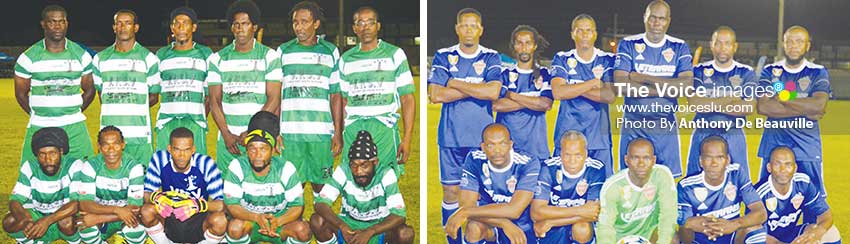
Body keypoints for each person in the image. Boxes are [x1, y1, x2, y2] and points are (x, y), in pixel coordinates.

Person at [428, 8, 502, 243]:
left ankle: (477, 237)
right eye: (464, 25)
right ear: (457, 29)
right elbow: (436, 94)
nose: (469, 30)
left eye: (473, 26)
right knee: (451, 191)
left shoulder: (491, 57)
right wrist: (476, 89)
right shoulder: (443, 56)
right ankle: (454, 240)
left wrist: (455, 82)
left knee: (482, 193)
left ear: (481, 29)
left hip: (482, 141)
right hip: (450, 137)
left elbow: (493, 91)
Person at [613, 0, 693, 177]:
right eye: (653, 18)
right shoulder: (628, 44)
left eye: (662, 19)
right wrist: (668, 86)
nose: (657, 23)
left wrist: (644, 78)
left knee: (665, 182)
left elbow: (686, 86)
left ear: (668, 21)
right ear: (645, 18)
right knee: (630, 181)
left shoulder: (679, 47)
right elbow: (621, 84)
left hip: (665, 124)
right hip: (634, 122)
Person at [335, 6, 416, 177]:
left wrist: (407, 138)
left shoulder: (395, 54)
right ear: (354, 28)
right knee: (354, 183)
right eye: (360, 23)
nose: (365, 27)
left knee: (385, 182)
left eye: (370, 22)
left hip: (384, 128)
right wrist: (341, 133)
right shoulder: (346, 60)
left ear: (378, 26)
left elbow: (407, 98)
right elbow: (343, 101)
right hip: (353, 129)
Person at [756, 26, 831, 205]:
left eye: (799, 41)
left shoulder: (817, 71)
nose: (793, 45)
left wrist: (783, 97)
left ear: (807, 45)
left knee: (813, 204)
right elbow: (764, 107)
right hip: (774, 145)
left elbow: (819, 105)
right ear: (783, 44)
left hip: (807, 148)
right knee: (766, 202)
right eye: (789, 41)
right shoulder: (770, 71)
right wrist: (807, 108)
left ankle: (810, 233)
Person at [14, 5, 96, 166]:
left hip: (74, 126)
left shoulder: (81, 55)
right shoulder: (28, 57)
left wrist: (72, 110)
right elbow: (21, 94)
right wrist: (39, 113)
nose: (57, 26)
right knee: (31, 171)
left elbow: (90, 89)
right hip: (40, 124)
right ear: (43, 24)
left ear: (67, 23)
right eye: (52, 22)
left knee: (84, 172)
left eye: (61, 21)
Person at [278, 1, 343, 193]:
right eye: (295, 22)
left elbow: (336, 95)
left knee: (322, 187)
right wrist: (276, 131)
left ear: (316, 24)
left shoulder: (330, 51)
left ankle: (321, 224)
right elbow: (276, 94)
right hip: (290, 133)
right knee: (293, 188)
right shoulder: (283, 51)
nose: (299, 27)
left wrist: (338, 132)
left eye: (304, 22)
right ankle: (295, 224)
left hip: (321, 133)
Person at [208, 0, 282, 166]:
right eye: (236, 24)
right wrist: (226, 134)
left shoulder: (270, 57)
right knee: (227, 190)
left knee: (257, 188)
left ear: (254, 27)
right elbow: (214, 101)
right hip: (229, 142)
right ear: (232, 27)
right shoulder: (217, 59)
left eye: (245, 24)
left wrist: (252, 131)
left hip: (259, 139)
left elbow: (274, 99)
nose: (240, 29)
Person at [311, 130, 414, 244]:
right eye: (354, 165)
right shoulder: (344, 170)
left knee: (405, 233)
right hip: (349, 225)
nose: (358, 171)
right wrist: (342, 226)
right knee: (317, 220)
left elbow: (399, 215)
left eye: (364, 165)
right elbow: (320, 203)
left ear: (375, 162)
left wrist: (369, 232)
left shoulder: (386, 173)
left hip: (377, 227)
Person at [222, 111, 311, 244]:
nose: (257, 155)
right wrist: (256, 218)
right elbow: (231, 205)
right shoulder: (237, 166)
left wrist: (278, 221)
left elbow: (298, 206)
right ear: (246, 150)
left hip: (279, 223)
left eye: (263, 149)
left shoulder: (286, 168)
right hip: (252, 222)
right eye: (252, 149)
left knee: (303, 230)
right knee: (235, 227)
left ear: (273, 150)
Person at [445, 123, 540, 244]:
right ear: (483, 147)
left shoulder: (527, 163)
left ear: (511, 145)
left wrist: (465, 212)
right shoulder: (474, 159)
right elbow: (467, 204)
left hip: (522, 227)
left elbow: (515, 210)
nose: (497, 151)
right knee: (474, 228)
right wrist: (503, 223)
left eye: (502, 144)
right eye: (491, 145)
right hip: (490, 224)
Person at [685, 26, 757, 177]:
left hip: (733, 134)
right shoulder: (698, 71)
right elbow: (695, 104)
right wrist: (731, 98)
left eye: (727, 43)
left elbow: (748, 107)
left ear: (735, 46)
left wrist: (709, 103)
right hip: (703, 133)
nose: (722, 48)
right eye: (718, 43)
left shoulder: (746, 72)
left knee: (737, 183)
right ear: (711, 44)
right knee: (695, 182)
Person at [550, 14, 616, 176]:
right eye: (580, 31)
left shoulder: (607, 59)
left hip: (598, 139)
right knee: (562, 187)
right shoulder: (562, 58)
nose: (585, 35)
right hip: (567, 136)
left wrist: (572, 87)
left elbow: (609, 96)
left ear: (595, 34)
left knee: (602, 190)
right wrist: (593, 83)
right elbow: (558, 92)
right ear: (573, 33)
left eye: (589, 30)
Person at [93, 9, 161, 164]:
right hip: (109, 138)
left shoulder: (149, 59)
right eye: (119, 23)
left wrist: (132, 106)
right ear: (114, 27)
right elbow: (101, 95)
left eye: (128, 23)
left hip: (139, 136)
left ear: (135, 28)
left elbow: (153, 97)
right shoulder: (100, 59)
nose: (123, 27)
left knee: (142, 185)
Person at [141, 127, 227, 243]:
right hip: (169, 215)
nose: (181, 155)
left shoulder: (205, 163)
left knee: (220, 220)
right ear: (169, 149)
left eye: (186, 150)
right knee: (146, 211)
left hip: (197, 217)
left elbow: (222, 205)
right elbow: (145, 194)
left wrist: (198, 205)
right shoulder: (160, 159)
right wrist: (155, 197)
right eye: (176, 149)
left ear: (193, 150)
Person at [677, 136, 767, 244]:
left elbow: (761, 213)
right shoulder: (686, 186)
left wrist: (733, 224)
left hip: (731, 237)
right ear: (701, 161)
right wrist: (694, 224)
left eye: (719, 157)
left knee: (755, 228)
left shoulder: (736, 173)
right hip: (700, 240)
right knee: (673, 235)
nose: (714, 164)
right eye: (708, 158)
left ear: (727, 160)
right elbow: (684, 232)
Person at [3, 127, 82, 244]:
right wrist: (26, 220)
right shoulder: (29, 166)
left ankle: (75, 242)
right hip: (38, 216)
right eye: (42, 154)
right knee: (10, 221)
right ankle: (33, 241)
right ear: (36, 155)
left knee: (66, 221)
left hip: (62, 218)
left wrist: (47, 221)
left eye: (52, 153)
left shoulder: (74, 165)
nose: (48, 159)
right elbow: (15, 201)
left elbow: (76, 204)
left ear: (61, 152)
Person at [72, 126, 147, 244]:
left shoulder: (134, 167)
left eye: (116, 144)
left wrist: (99, 218)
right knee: (84, 226)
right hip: (103, 211)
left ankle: (122, 235)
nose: (111, 149)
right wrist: (117, 210)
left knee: (135, 231)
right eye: (106, 145)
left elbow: (134, 208)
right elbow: (85, 203)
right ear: (99, 147)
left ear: (123, 144)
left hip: (124, 216)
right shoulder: (90, 165)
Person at [154, 7, 214, 154]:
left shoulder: (206, 54)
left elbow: (210, 95)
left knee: (195, 169)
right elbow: (155, 90)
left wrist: (198, 118)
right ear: (172, 28)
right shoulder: (161, 55)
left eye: (185, 23)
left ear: (193, 27)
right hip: (166, 122)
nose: (181, 27)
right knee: (165, 169)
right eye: (177, 23)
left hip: (194, 122)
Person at [596, 138, 676, 244]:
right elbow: (606, 227)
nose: (641, 164)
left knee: (673, 239)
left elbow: (668, 215)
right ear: (626, 160)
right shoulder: (613, 186)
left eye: (646, 158)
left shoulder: (662, 175)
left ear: (654, 160)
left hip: (651, 233)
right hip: (619, 237)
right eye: (635, 158)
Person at [755, 147, 841, 244]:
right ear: (769, 167)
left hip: (790, 235)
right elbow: (754, 233)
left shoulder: (803, 183)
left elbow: (825, 215)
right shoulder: (759, 194)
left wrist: (816, 233)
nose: (783, 170)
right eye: (777, 164)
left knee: (830, 233)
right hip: (766, 240)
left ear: (795, 168)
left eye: (788, 165)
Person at [531, 131, 605, 244]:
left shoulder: (596, 169)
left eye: (578, 155)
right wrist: (581, 210)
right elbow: (536, 212)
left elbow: (593, 212)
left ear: (586, 154)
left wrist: (551, 222)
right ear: (560, 153)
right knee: (545, 231)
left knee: (582, 229)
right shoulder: (548, 167)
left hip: (559, 220)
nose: (572, 161)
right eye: (567, 155)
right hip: (556, 227)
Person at [493, 25, 553, 161]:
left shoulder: (545, 74)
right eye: (519, 43)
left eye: (528, 43)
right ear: (513, 46)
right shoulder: (504, 74)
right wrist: (533, 100)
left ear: (535, 46)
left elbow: (545, 104)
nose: (524, 47)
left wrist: (512, 96)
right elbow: (497, 105)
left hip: (537, 150)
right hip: (507, 151)